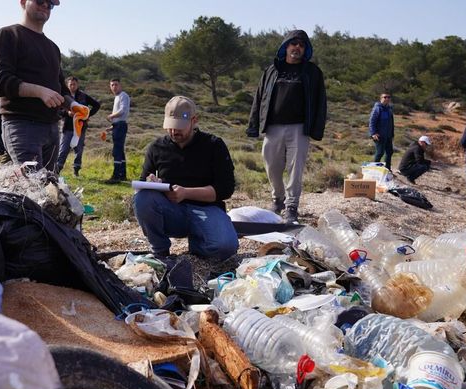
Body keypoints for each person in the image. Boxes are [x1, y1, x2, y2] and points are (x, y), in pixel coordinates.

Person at [134, 96, 238, 261]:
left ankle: (198, 243)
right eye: (170, 127)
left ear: (194, 120)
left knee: (225, 248)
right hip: (172, 211)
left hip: (207, 209)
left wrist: (186, 193)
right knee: (143, 198)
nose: (174, 132)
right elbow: (142, 186)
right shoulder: (156, 147)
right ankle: (160, 251)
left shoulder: (213, 145)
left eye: (179, 127)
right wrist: (151, 182)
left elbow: (225, 189)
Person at [246, 29, 327, 224]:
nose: (297, 47)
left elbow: (320, 102)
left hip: (299, 128)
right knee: (271, 165)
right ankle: (278, 198)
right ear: (286, 46)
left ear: (305, 50)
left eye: (301, 45)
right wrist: (253, 125)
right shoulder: (272, 70)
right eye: (294, 43)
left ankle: (291, 205)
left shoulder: (312, 72)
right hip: (273, 127)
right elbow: (259, 98)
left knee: (295, 168)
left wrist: (316, 129)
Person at [0, 0, 70, 170]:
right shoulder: (7, 35)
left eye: (50, 4)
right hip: (22, 125)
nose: (45, 6)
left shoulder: (53, 47)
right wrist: (39, 91)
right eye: (40, 1)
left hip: (52, 127)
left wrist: (74, 105)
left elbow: (61, 88)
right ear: (23, 2)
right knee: (32, 187)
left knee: (48, 186)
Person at [56, 75, 100, 176]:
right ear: (67, 85)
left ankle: (76, 170)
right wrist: (67, 113)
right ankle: (57, 169)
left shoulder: (83, 96)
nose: (72, 86)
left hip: (80, 128)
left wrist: (87, 115)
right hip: (66, 127)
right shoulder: (63, 96)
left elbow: (97, 105)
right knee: (63, 149)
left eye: (74, 84)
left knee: (78, 150)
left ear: (77, 84)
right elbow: (57, 109)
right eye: (70, 84)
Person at [105, 78, 130, 183]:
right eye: (112, 85)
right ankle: (122, 175)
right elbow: (120, 116)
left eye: (116, 84)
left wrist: (111, 116)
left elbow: (122, 111)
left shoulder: (123, 95)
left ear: (120, 85)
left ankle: (116, 176)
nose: (114, 87)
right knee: (120, 151)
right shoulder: (117, 97)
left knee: (117, 151)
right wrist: (112, 126)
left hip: (120, 125)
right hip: (118, 125)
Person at [369, 93, 395, 169]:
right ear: (381, 99)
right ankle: (374, 170)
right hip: (379, 135)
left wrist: (392, 134)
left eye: (388, 97)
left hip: (388, 135)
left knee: (389, 152)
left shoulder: (389, 109)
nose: (387, 99)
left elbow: (391, 123)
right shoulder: (377, 108)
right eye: (385, 97)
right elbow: (372, 121)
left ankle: (387, 170)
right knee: (380, 153)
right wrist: (373, 133)